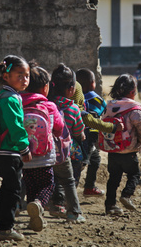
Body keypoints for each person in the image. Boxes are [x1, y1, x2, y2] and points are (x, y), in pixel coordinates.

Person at [0, 55, 32, 241]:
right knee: (14, 189)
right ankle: (6, 229)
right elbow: (16, 127)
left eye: (27, 76)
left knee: (8, 185)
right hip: (8, 152)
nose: (25, 80)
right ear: (6, 77)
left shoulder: (5, 96)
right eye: (19, 75)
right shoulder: (11, 99)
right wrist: (24, 148)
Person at [20, 61, 64, 232]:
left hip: (24, 156)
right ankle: (38, 205)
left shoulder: (18, 103)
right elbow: (59, 129)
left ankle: (34, 217)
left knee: (30, 185)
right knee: (48, 184)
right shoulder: (50, 106)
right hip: (45, 157)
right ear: (46, 88)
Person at [103, 74, 141, 215]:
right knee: (135, 173)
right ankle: (126, 195)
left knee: (113, 178)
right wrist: (140, 141)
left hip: (112, 150)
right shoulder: (135, 108)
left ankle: (110, 206)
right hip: (129, 151)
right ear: (133, 92)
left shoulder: (110, 106)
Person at [48, 63, 86, 223]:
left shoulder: (47, 105)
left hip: (45, 149)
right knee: (74, 169)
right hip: (64, 151)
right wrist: (82, 135)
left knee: (55, 176)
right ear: (72, 89)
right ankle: (72, 209)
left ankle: (55, 202)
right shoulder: (72, 108)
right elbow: (78, 132)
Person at [75, 68, 122, 197]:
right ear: (92, 84)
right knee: (81, 164)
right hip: (90, 137)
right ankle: (69, 192)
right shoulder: (97, 100)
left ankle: (89, 187)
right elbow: (104, 114)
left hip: (75, 134)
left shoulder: (74, 98)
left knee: (95, 159)